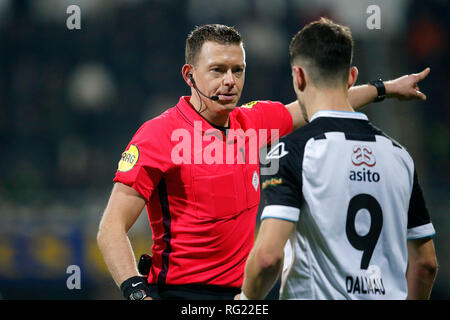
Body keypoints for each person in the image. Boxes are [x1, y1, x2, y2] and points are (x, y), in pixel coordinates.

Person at [97, 24, 432, 300]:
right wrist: (136, 292)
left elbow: (320, 102)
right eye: (217, 70)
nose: (229, 80)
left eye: (237, 70)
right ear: (189, 74)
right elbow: (111, 227)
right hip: (182, 294)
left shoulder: (253, 122)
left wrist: (385, 88)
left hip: (246, 296)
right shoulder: (158, 134)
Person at [238, 18, 438, 300]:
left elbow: (268, 257)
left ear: (298, 76)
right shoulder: (400, 156)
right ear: (352, 76)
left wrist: (245, 301)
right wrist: (386, 88)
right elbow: (426, 264)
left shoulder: (289, 153)